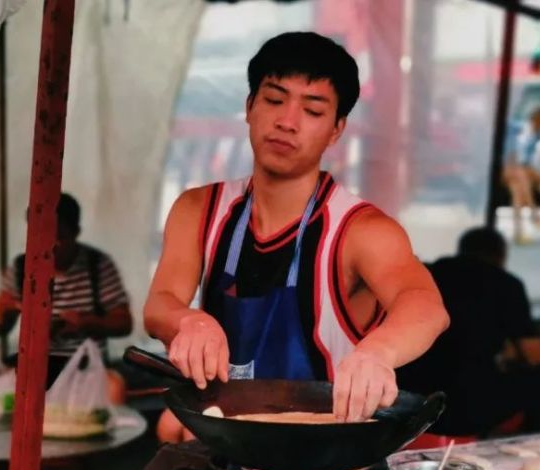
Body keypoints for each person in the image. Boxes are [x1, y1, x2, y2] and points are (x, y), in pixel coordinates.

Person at [144, 32, 448, 430]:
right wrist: (188, 322)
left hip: (324, 460)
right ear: (250, 107)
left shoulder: (361, 230)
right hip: (226, 442)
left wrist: (378, 352)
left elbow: (426, 306)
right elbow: (159, 304)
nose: (287, 122)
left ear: (337, 130)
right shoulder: (198, 210)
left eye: (313, 110)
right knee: (171, 427)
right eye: (273, 100)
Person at [398, 227, 540, 436]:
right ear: (501, 255)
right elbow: (530, 355)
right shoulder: (506, 284)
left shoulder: (428, 273)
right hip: (464, 406)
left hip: (411, 400)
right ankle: (539, 452)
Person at [0, 193, 134, 387]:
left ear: (76, 232)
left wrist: (86, 322)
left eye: (59, 238)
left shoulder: (97, 265)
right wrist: (9, 310)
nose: (50, 246)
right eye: (41, 237)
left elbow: (124, 323)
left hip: (86, 371)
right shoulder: (22, 268)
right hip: (35, 370)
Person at [502, 107, 540, 244]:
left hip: (523, 172)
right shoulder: (518, 128)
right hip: (508, 167)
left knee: (518, 194)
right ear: (535, 119)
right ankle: (535, 215)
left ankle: (519, 233)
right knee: (520, 175)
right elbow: (511, 150)